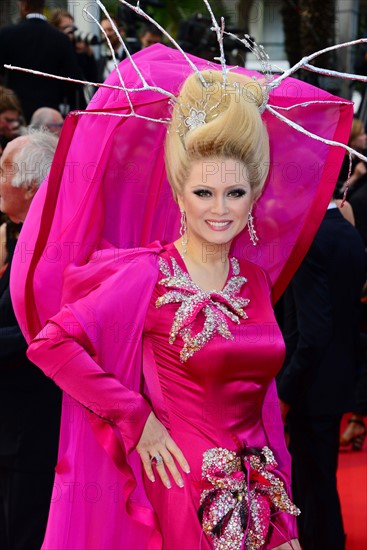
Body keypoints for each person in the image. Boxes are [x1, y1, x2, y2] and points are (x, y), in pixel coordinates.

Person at [10, 43, 354, 550]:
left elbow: (259, 404)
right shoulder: (147, 274)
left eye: (235, 193)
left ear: (254, 196)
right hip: (181, 494)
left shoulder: (254, 280)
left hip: (258, 493)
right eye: (203, 193)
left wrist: (282, 507)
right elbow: (51, 342)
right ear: (178, 194)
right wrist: (136, 418)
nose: (220, 209)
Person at [277, 201, 366, 550]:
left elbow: (311, 332)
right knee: (321, 478)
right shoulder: (349, 233)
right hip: (338, 374)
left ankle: (321, 541)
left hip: (310, 383)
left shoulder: (309, 237)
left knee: (312, 482)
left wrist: (285, 392)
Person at [0, 129, 61, 550]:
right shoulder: (24, 237)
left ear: (31, 186)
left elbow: (44, 335)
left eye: (5, 168)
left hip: (31, 432)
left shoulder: (52, 246)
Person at [0, 0, 83, 122]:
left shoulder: (6, 34)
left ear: (24, 6)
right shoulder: (61, 39)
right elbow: (73, 81)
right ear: (43, 6)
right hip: (50, 114)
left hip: (16, 113)